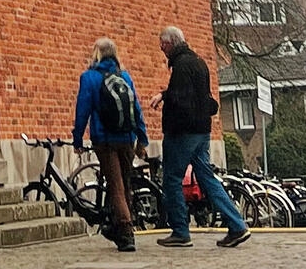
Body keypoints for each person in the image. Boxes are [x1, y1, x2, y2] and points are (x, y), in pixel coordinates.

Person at [152, 25, 249, 248]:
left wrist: (169, 108)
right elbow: (197, 96)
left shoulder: (181, 66)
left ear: (169, 43)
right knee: (207, 178)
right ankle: (237, 225)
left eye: (162, 46)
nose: (162, 50)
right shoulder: (198, 62)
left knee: (172, 179)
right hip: (202, 131)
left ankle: (180, 231)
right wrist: (165, 94)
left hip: (182, 133)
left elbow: (182, 100)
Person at [74, 36, 150, 252]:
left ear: (96, 54)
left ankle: (126, 232)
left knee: (115, 185)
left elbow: (83, 110)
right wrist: (142, 138)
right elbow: (136, 107)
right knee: (123, 182)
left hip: (104, 140)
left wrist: (77, 139)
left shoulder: (89, 78)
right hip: (126, 139)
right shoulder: (124, 76)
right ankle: (117, 225)